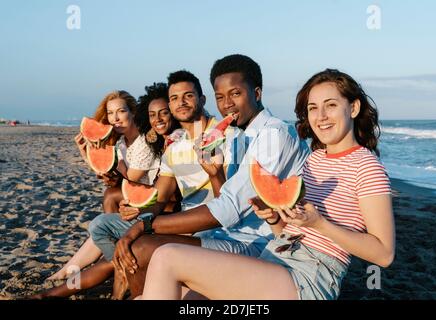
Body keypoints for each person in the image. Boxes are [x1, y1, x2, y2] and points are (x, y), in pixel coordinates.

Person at [137, 69, 396, 300]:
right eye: (313, 108)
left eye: (330, 105)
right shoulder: (315, 159)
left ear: (353, 108)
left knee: (166, 256)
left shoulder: (367, 167)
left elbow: (384, 254)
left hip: (310, 277)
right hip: (275, 258)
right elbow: (290, 232)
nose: (321, 116)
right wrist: (274, 219)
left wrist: (320, 224)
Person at [109, 54, 310, 298]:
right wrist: (215, 175)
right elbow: (227, 200)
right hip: (229, 235)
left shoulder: (273, 136)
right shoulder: (235, 135)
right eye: (220, 97)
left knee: (141, 247)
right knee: (144, 251)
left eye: (235, 94)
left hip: (260, 245)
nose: (227, 104)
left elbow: (228, 209)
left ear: (256, 94)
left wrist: (144, 225)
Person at [89, 70, 237, 298]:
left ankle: (137, 287)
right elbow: (158, 199)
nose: (181, 102)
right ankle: (128, 276)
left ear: (202, 99)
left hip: (214, 226)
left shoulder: (225, 135)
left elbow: (227, 204)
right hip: (182, 222)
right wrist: (139, 209)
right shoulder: (175, 147)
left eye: (188, 96)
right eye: (175, 98)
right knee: (100, 225)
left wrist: (143, 225)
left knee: (138, 246)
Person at [31, 85, 178, 299]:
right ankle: (77, 268)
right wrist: (87, 153)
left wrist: (102, 157)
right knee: (103, 222)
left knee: (108, 204)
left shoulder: (145, 142)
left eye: (121, 111)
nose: (115, 118)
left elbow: (130, 181)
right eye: (110, 113)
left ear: (133, 112)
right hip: (136, 206)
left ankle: (80, 270)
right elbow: (107, 171)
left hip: (154, 205)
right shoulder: (121, 144)